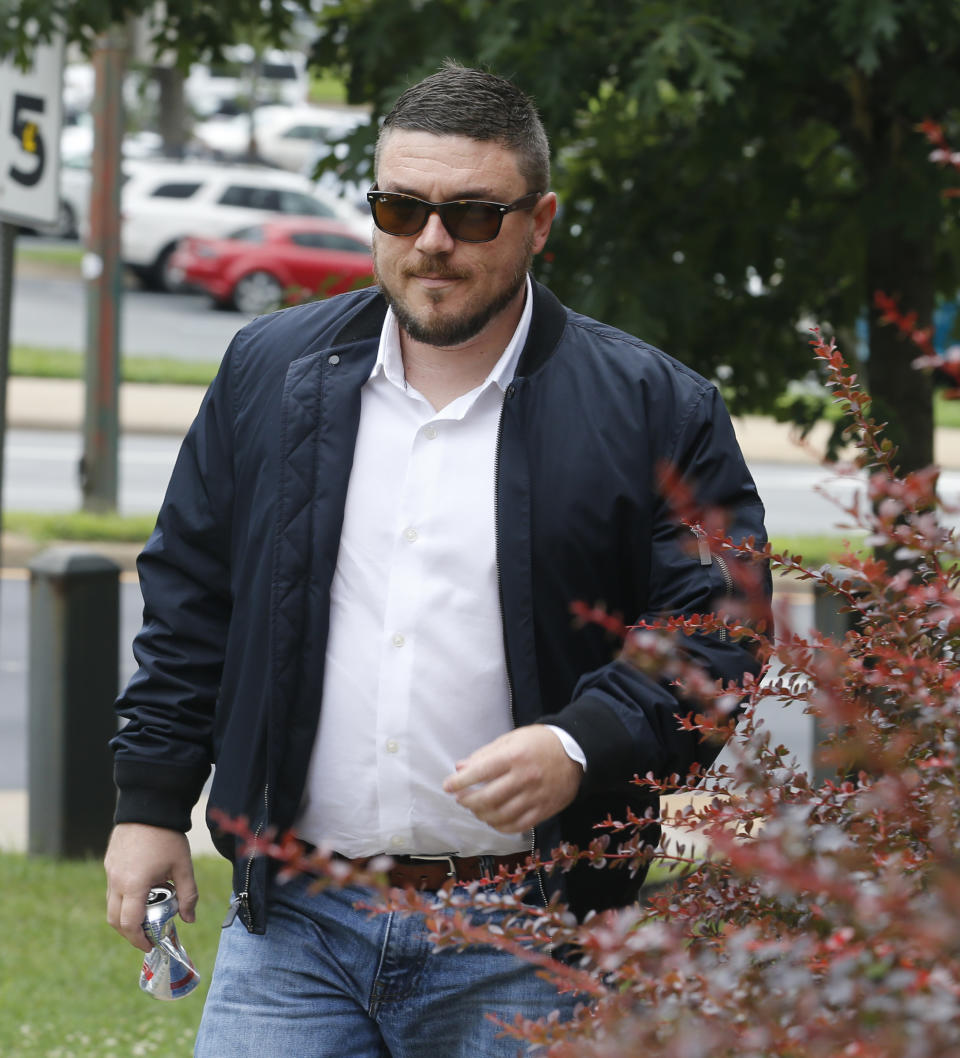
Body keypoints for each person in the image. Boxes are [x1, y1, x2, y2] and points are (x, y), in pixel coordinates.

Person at [104, 62, 771, 1056]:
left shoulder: (655, 408)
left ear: (540, 219)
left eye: (472, 214)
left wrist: (580, 743)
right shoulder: (267, 370)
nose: (431, 241)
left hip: (525, 937)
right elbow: (194, 598)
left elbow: (720, 631)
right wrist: (151, 802)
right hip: (293, 927)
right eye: (400, 206)